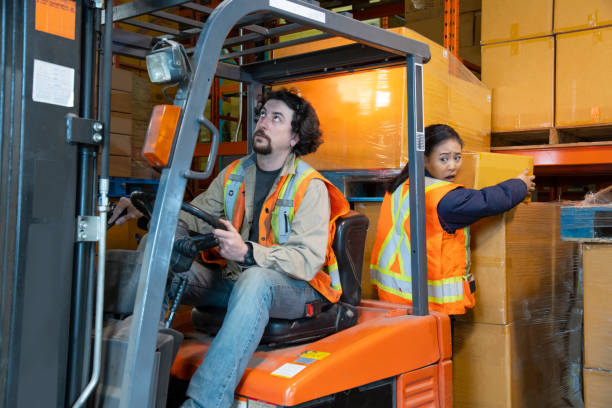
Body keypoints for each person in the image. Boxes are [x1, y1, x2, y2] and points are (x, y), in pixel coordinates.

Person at [110, 88, 349, 408]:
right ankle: (121, 380)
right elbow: (195, 216)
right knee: (149, 257)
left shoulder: (310, 186)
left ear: (294, 137)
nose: (263, 122)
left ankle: (205, 402)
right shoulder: (236, 173)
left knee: (256, 280)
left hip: (296, 288)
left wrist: (248, 253)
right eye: (263, 114)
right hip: (237, 279)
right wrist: (148, 209)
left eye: (276, 118)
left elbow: (306, 261)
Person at [369, 124, 535, 316]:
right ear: (424, 160)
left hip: (395, 300)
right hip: (426, 306)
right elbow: (486, 201)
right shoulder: (442, 197)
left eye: (457, 157)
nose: (452, 166)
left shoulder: (401, 187)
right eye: (444, 159)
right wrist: (520, 185)